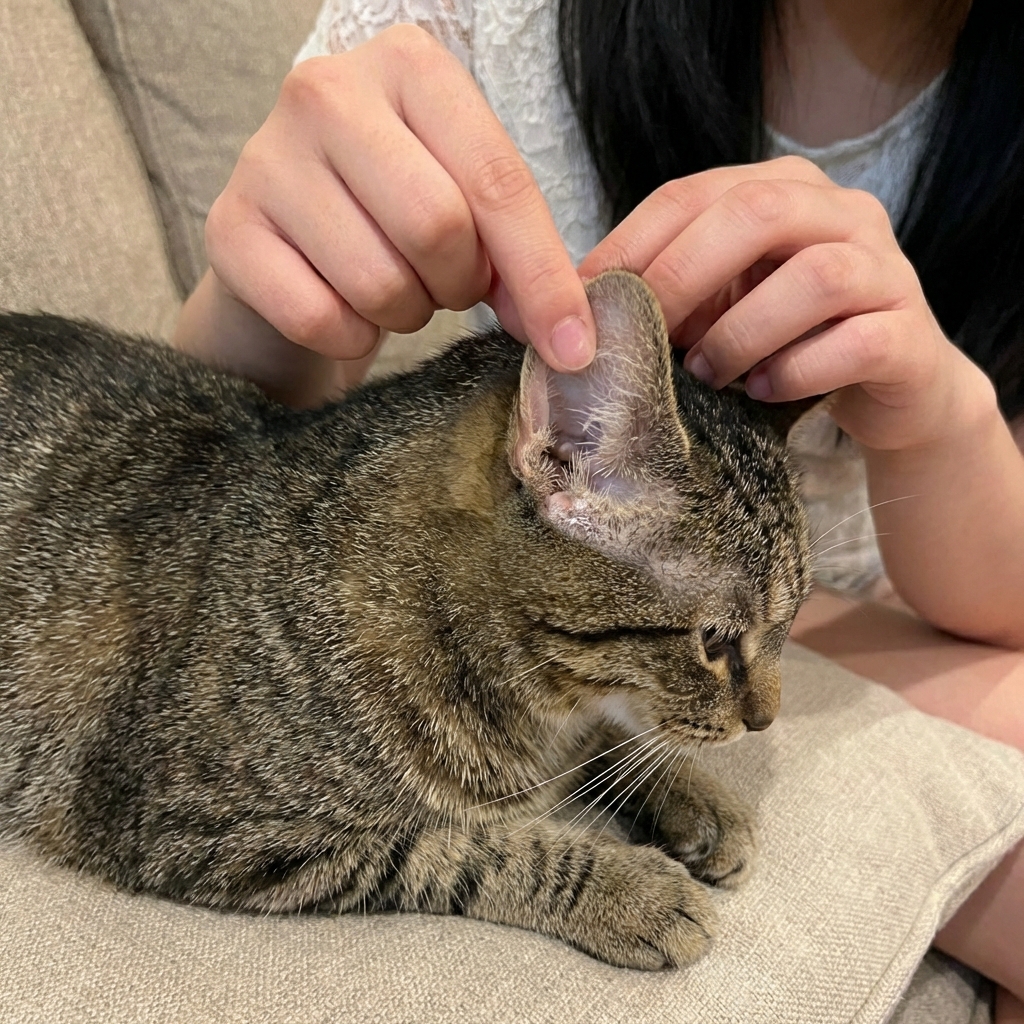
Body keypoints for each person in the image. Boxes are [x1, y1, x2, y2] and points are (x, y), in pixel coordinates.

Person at [172, 0, 1024, 1016]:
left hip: (886, 604)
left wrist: (941, 407)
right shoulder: (465, 27)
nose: (766, 722)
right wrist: (260, 295)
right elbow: (214, 539)